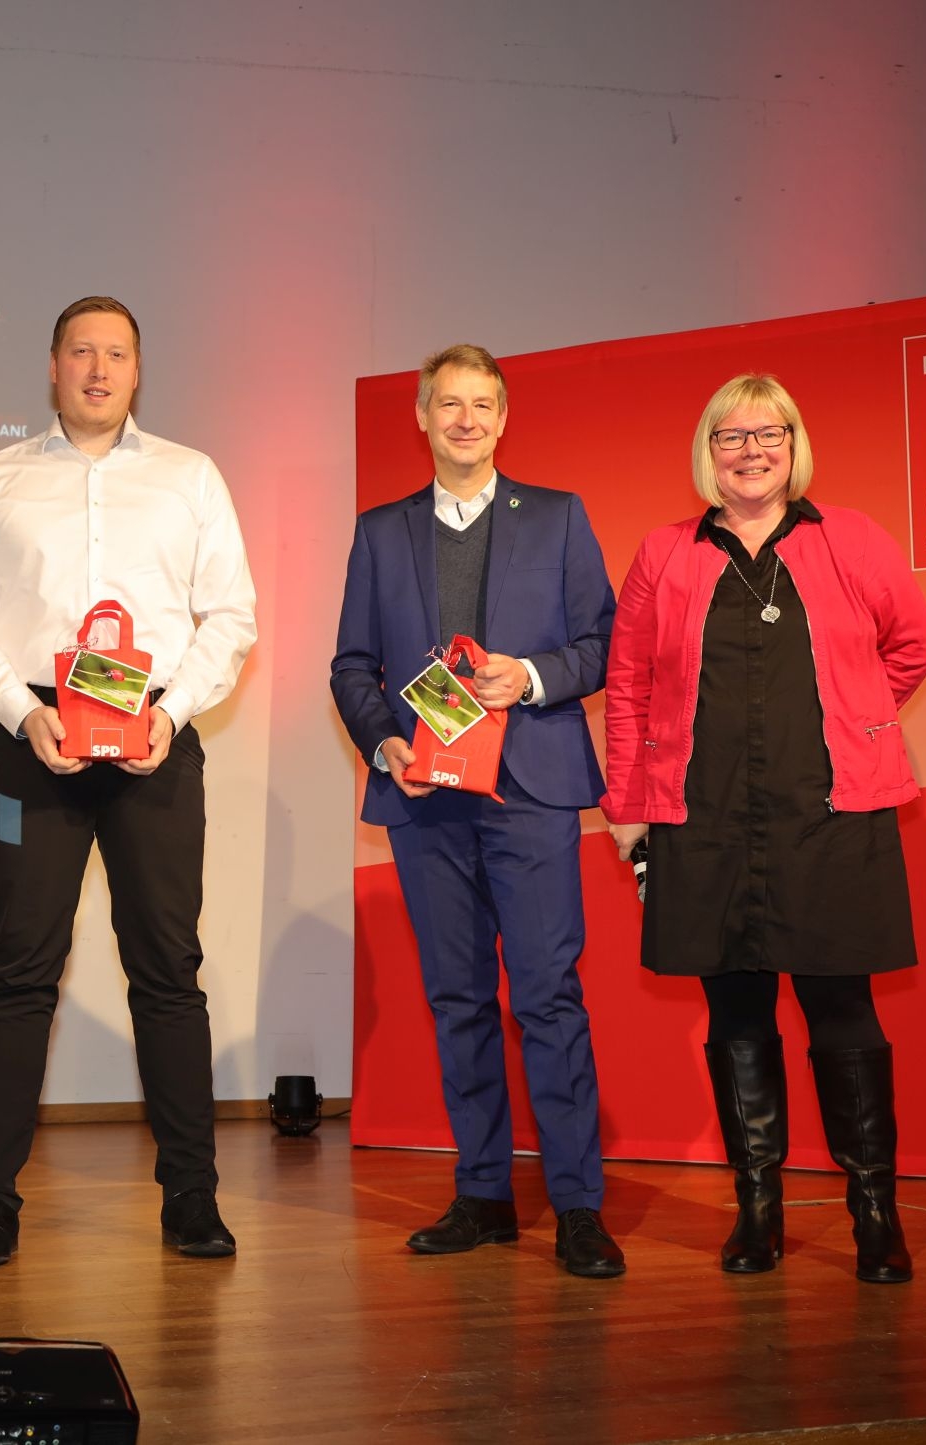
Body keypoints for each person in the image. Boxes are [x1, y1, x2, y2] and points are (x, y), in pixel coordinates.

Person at [0, 295, 257, 1268]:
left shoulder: (191, 477)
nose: (99, 369)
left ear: (138, 370)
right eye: (82, 351)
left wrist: (174, 710)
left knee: (169, 969)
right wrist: (18, 711)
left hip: (155, 732)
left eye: (116, 353)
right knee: (19, 969)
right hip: (34, 736)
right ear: (53, 364)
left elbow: (230, 616)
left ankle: (191, 1196)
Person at [602, 373, 926, 1284]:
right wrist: (626, 806)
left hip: (830, 814)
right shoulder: (664, 553)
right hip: (704, 816)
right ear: (707, 453)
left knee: (843, 1011)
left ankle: (875, 1213)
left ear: (794, 445)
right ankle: (759, 1211)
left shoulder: (852, 538)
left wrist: (858, 717)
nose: (751, 451)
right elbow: (628, 683)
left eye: (768, 433)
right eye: (731, 436)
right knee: (736, 1013)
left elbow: (914, 646)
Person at [330, 343, 625, 1278]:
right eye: (449, 403)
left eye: (483, 404)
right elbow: (351, 666)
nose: (466, 420)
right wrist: (385, 742)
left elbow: (604, 642)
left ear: (503, 418)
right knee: (457, 999)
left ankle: (578, 1205)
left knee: (548, 996)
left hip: (529, 790)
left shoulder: (561, 516)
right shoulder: (380, 532)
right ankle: (485, 1194)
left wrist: (529, 675)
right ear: (421, 416)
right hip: (426, 796)